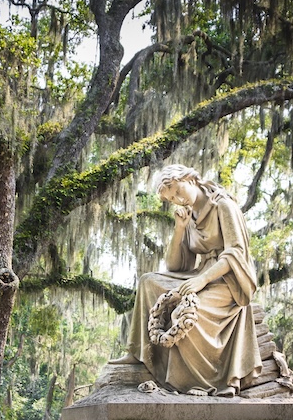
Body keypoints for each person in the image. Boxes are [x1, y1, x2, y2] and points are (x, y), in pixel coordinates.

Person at [110, 164, 261, 396]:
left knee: (185, 312)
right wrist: (180, 229)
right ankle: (138, 353)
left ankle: (197, 380)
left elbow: (236, 253)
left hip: (226, 280)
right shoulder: (190, 216)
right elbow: (177, 267)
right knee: (148, 281)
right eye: (171, 198)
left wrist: (202, 281)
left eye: (176, 190)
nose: (177, 199)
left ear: (190, 178)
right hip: (199, 274)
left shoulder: (223, 205)